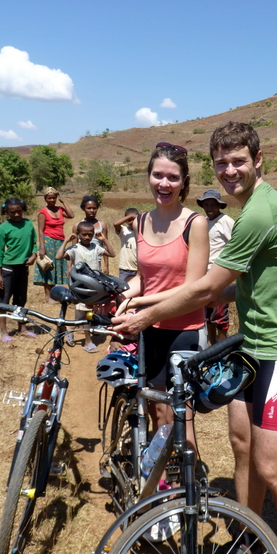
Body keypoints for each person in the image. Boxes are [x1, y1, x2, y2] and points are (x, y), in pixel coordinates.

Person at [113, 122, 277, 554]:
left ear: (258, 160)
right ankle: (248, 538)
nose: (230, 171)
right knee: (241, 446)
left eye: (239, 162)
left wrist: (145, 316)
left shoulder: (260, 212)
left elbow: (209, 287)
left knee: (274, 467)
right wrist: (146, 304)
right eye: (222, 163)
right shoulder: (252, 207)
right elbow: (235, 287)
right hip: (250, 344)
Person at [115, 142, 209, 434]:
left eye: (172, 177)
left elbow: (192, 287)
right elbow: (145, 278)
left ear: (184, 183)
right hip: (150, 330)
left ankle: (188, 475)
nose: (164, 183)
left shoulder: (195, 223)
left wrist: (140, 304)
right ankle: (159, 479)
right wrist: (124, 293)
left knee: (182, 417)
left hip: (185, 331)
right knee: (158, 414)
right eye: (158, 175)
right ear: (148, 177)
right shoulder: (140, 221)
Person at [56, 222, 115, 352]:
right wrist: (66, 241)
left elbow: (112, 254)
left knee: (85, 315)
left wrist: (104, 239)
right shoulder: (75, 248)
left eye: (90, 234)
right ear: (78, 234)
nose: (87, 237)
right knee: (87, 314)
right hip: (81, 288)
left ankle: (69, 331)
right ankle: (88, 342)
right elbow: (58, 256)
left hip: (94, 287)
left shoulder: (96, 247)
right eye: (84, 234)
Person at [0, 197, 37, 342]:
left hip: (23, 269)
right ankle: (3, 332)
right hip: (8, 269)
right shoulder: (3, 227)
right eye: (13, 212)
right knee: (3, 301)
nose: (17, 215)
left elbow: (34, 244)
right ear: (6, 211)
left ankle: (22, 328)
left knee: (20, 299)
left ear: (23, 208)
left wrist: (33, 255)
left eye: (19, 211)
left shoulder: (29, 224)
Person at [196, 189, 235, 344]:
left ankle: (220, 352)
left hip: (219, 274)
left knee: (220, 317)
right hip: (204, 275)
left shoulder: (226, 222)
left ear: (219, 205)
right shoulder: (203, 222)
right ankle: (211, 350)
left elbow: (236, 245)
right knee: (207, 316)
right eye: (206, 204)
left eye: (213, 204)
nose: (209, 207)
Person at [33, 187, 74, 302]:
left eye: (54, 198)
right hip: (48, 241)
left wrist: (64, 201)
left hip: (60, 242)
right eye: (49, 198)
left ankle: (53, 294)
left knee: (56, 268)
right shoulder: (43, 212)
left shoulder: (60, 209)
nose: (51, 200)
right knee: (48, 267)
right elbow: (40, 231)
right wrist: (42, 247)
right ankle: (48, 296)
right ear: (45, 198)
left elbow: (71, 215)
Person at [73, 195, 109, 272]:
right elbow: (73, 248)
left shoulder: (102, 225)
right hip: (81, 262)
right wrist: (70, 267)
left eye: (94, 208)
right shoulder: (77, 225)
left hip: (96, 262)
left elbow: (104, 245)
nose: (92, 210)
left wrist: (106, 266)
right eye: (89, 208)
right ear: (83, 209)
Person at [113, 208, 139, 283]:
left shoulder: (142, 230)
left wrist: (138, 217)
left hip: (139, 269)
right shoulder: (123, 230)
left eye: (133, 220)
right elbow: (116, 224)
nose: (131, 222)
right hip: (125, 269)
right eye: (129, 220)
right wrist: (131, 216)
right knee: (124, 289)